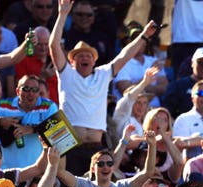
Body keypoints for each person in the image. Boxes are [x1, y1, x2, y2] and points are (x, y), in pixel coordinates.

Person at [49, 0, 158, 175]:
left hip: (97, 148)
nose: (85, 58)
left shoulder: (103, 73)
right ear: (71, 61)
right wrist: (62, 15)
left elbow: (124, 55)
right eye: (80, 56)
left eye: (88, 55)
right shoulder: (66, 73)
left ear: (94, 60)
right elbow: (53, 46)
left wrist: (144, 35)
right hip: (70, 147)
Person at [0, 74, 58, 169]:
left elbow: (58, 130)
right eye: (26, 89)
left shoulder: (48, 106)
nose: (31, 93)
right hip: (8, 171)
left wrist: (31, 129)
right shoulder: (4, 105)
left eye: (35, 90)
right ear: (17, 91)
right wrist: (0, 121)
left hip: (37, 170)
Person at [62, 0, 115, 66]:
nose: (84, 18)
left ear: (93, 17)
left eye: (89, 15)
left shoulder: (102, 38)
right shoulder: (65, 38)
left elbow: (110, 61)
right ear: (73, 16)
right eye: (80, 14)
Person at [15, 26, 58, 104]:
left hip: (56, 108)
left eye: (46, 44)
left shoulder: (55, 58)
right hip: (35, 107)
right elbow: (20, 89)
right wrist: (41, 77)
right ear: (33, 43)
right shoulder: (23, 60)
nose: (43, 48)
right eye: (40, 44)